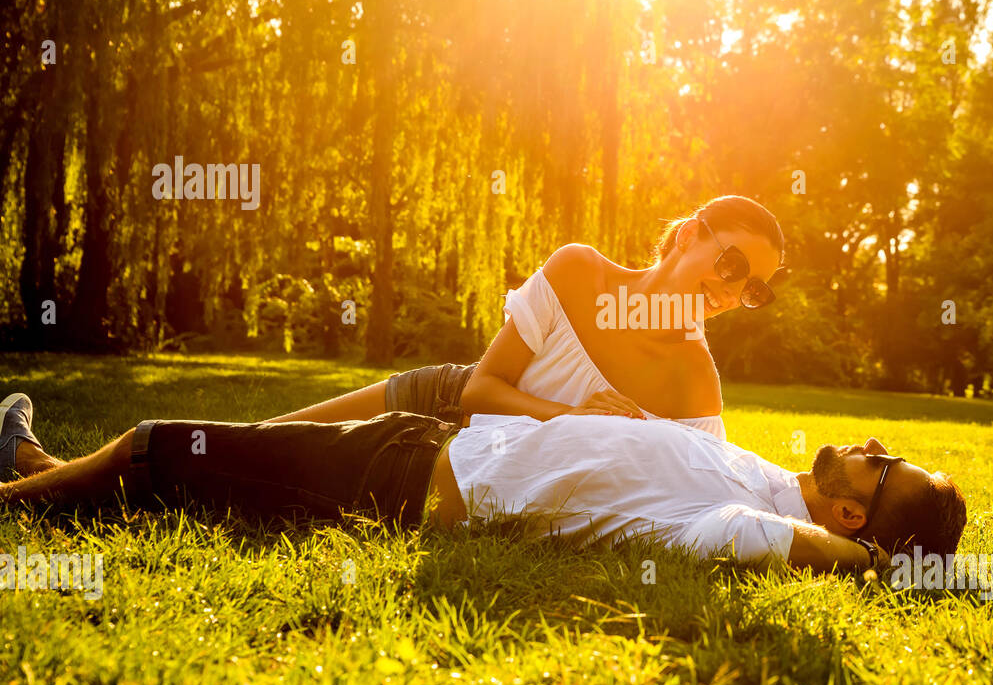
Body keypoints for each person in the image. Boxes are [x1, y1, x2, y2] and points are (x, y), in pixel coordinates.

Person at [4, 195, 783, 483]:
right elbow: (481, 388)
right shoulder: (578, 271)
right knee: (245, 440)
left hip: (469, 462)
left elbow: (706, 488)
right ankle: (45, 474)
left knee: (247, 467)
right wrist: (577, 418)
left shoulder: (694, 381)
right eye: (732, 261)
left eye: (752, 288)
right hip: (451, 394)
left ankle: (34, 468)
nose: (732, 289)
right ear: (688, 233)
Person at [0, 398, 966, 575]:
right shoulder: (766, 475)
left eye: (885, 465)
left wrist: (869, 561)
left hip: (401, 485)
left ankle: (21, 492)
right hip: (431, 443)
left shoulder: (749, 522)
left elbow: (767, 545)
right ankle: (47, 473)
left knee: (168, 445)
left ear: (851, 513)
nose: (873, 444)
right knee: (206, 470)